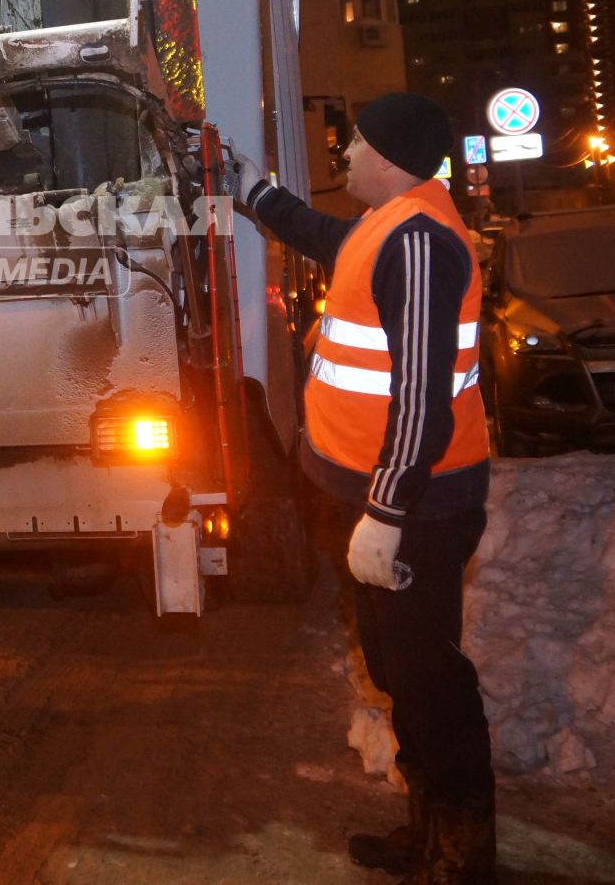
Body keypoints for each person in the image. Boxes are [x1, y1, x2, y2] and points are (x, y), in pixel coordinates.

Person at [228, 92, 495, 885]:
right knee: (394, 666)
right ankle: (426, 831)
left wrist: (387, 509)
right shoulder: (387, 227)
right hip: (382, 501)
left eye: (354, 145)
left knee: (430, 680)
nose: (342, 156)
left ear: (391, 158)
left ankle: (462, 854)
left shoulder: (419, 242)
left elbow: (422, 395)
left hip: (416, 506)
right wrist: (254, 193)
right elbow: (322, 237)